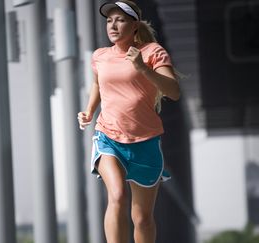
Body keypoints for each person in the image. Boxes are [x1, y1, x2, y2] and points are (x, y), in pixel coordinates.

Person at [77, 1, 180, 243]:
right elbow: (97, 83)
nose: (112, 25)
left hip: (146, 142)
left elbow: (173, 91)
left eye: (120, 20)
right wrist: (89, 110)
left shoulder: (153, 52)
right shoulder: (100, 56)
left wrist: (143, 69)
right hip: (108, 136)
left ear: (134, 25)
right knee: (118, 195)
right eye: (109, 20)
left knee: (142, 218)